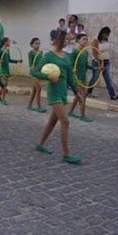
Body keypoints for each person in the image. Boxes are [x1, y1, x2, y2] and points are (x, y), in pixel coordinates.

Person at [31, 29, 83, 164]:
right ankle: (66, 154)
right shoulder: (48, 56)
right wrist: (47, 76)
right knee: (65, 121)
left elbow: (70, 77)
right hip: (53, 93)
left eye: (68, 40)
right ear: (58, 40)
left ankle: (40, 144)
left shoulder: (66, 57)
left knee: (53, 121)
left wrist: (77, 92)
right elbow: (34, 71)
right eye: (65, 39)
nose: (67, 42)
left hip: (63, 93)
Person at [87, 26, 118, 100]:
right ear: (102, 33)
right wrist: (99, 63)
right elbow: (94, 53)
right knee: (95, 78)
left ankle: (112, 95)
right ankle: (89, 92)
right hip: (97, 62)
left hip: (106, 61)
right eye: (106, 34)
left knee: (108, 79)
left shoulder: (106, 40)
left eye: (108, 34)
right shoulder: (96, 40)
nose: (107, 36)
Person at [69, 33, 93, 122]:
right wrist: (72, 75)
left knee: (78, 96)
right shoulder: (74, 52)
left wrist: (96, 68)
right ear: (78, 41)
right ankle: (82, 115)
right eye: (83, 39)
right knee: (83, 96)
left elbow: (86, 65)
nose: (85, 41)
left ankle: (71, 112)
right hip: (77, 77)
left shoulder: (85, 52)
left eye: (86, 39)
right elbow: (70, 65)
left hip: (83, 77)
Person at [0, 37, 22, 105]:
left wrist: (17, 61)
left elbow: (9, 60)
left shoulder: (7, 50)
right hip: (2, 70)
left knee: (5, 85)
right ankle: (3, 99)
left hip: (7, 70)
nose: (9, 43)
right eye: (8, 41)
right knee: (4, 86)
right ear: (5, 42)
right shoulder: (1, 50)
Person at [27, 37, 46, 113]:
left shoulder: (41, 52)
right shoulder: (31, 53)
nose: (38, 45)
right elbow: (30, 64)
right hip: (34, 73)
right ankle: (38, 106)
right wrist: (33, 72)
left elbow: (42, 62)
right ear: (32, 45)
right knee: (39, 89)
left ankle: (29, 105)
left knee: (34, 90)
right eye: (36, 43)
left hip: (39, 73)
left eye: (39, 43)